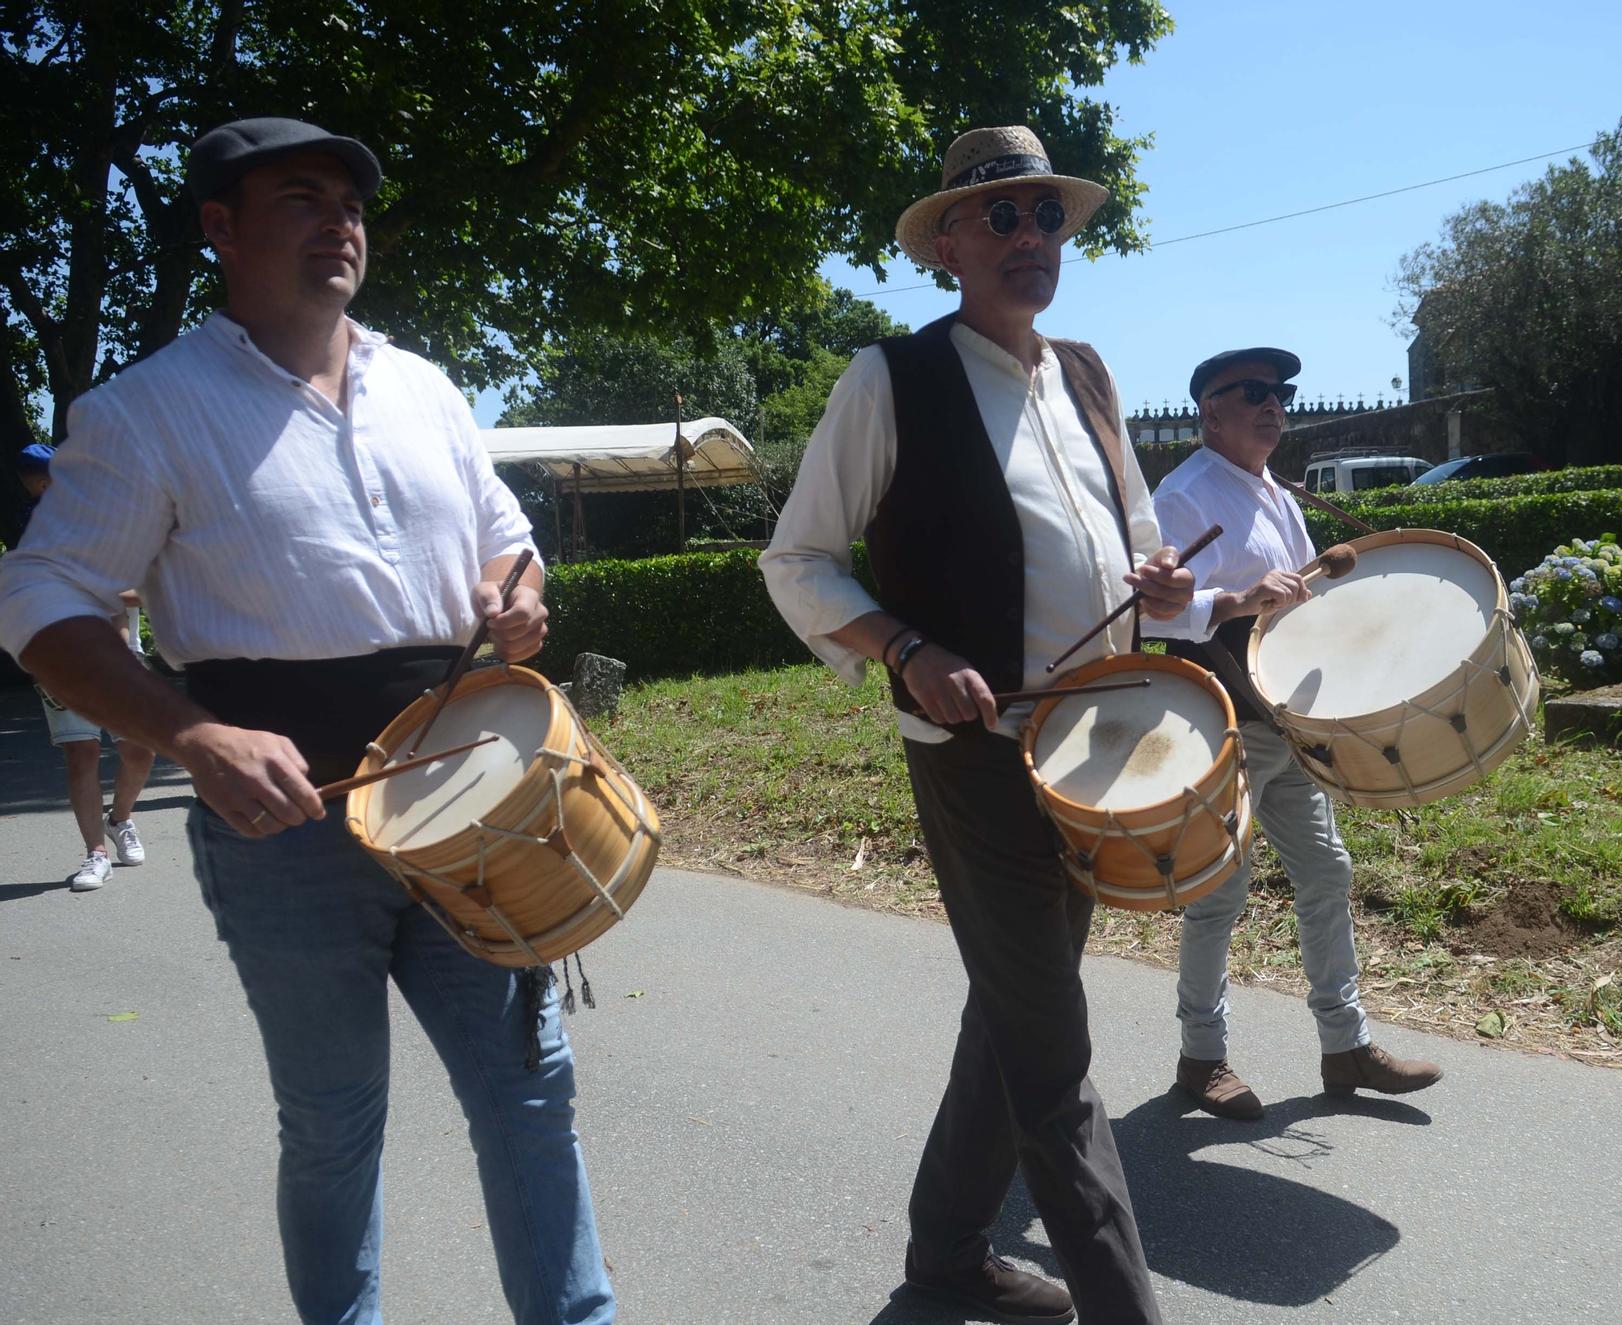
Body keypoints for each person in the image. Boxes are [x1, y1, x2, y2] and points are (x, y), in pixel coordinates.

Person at [0, 117, 614, 1324]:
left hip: (469, 804)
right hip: (284, 834)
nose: (342, 220)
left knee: (530, 1092)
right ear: (219, 227)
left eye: (351, 202)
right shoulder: (144, 410)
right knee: (334, 1127)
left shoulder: (426, 387)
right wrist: (190, 735)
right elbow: (39, 597)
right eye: (302, 196)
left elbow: (508, 538)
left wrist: (522, 595)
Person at [761, 125, 1192, 1325]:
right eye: (997, 217)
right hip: (979, 759)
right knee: (1053, 1057)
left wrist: (1160, 583)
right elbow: (795, 560)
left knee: (1016, 1005)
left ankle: (947, 1254)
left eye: (1044, 216)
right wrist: (905, 645)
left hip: (1102, 754)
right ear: (944, 243)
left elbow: (1140, 536)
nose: (1027, 237)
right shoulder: (887, 380)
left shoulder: (1091, 375)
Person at [1145, 347, 1443, 1120]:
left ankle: (1346, 1047)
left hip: (1287, 721)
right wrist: (1236, 598)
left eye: (1280, 392)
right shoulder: (1180, 496)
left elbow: (1298, 604)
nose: (1273, 403)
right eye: (1253, 392)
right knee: (1220, 894)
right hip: (1222, 722)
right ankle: (1200, 1059)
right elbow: (1150, 609)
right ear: (1209, 410)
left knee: (1327, 871)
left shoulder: (1278, 491)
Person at [13, 443, 156, 890]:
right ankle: (95, 854)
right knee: (82, 753)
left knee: (140, 750)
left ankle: (120, 820)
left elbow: (136, 588)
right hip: (63, 657)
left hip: (117, 657)